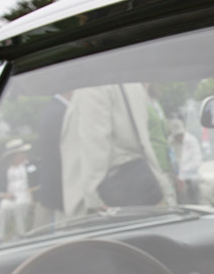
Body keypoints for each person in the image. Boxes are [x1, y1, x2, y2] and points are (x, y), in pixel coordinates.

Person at [59, 83, 174, 216]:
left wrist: (93, 198)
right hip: (140, 183)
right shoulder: (132, 83)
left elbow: (96, 144)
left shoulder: (93, 85)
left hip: (107, 198)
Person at [0, 139, 35, 240]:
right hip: (9, 196)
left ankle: (21, 234)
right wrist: (3, 195)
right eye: (18, 154)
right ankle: (0, 236)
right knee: (3, 209)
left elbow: (38, 180)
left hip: (26, 195)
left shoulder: (31, 165)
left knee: (19, 206)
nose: (21, 155)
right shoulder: (4, 169)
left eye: (22, 153)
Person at [168, 118, 203, 204]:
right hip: (175, 175)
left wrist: (183, 171)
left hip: (190, 173)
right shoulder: (169, 142)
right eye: (177, 135)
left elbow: (197, 161)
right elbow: (170, 160)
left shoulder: (191, 140)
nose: (179, 137)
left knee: (195, 186)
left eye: (181, 134)